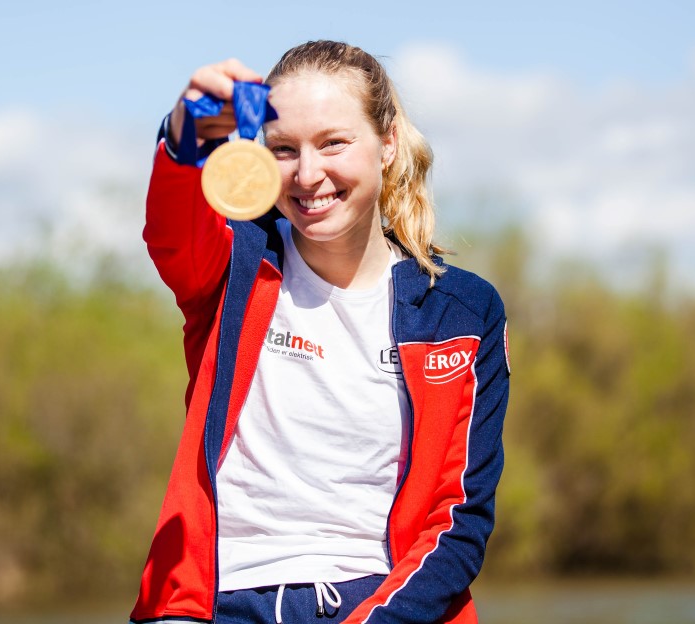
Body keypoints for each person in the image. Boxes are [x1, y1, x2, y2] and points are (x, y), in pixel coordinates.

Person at [130, 41, 510, 624]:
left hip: (385, 605)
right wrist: (183, 137)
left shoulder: (461, 311)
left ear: (386, 144)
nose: (308, 176)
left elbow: (457, 521)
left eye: (333, 143)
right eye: (284, 149)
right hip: (213, 603)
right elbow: (173, 234)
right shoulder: (235, 262)